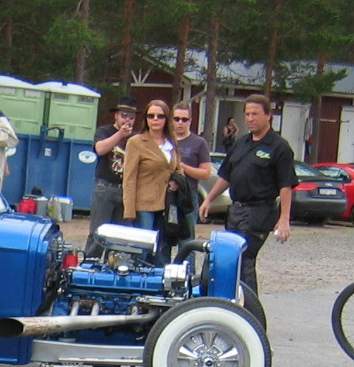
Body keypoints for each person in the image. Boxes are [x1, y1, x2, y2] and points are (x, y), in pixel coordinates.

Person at [199, 95, 295, 292]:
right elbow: (226, 175)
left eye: (255, 114)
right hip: (236, 210)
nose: (250, 118)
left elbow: (286, 185)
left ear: (268, 116)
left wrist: (284, 219)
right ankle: (228, 303)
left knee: (244, 259)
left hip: (259, 212)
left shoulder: (278, 146)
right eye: (247, 114)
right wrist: (209, 199)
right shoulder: (241, 143)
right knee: (228, 259)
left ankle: (250, 312)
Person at [122, 100, 181, 244]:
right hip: (143, 205)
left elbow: (178, 167)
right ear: (145, 119)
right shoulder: (136, 142)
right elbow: (129, 178)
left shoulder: (171, 142)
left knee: (162, 248)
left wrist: (178, 182)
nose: (155, 119)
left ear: (167, 119)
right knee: (144, 247)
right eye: (151, 116)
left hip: (166, 204)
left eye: (160, 116)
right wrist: (129, 210)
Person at [85, 100, 135, 252]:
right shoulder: (104, 131)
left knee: (122, 236)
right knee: (98, 232)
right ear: (116, 116)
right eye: (124, 116)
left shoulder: (136, 138)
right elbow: (100, 149)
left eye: (131, 117)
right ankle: (90, 265)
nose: (127, 120)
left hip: (126, 190)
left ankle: (115, 268)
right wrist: (120, 134)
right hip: (105, 187)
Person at [168, 102, 213, 249]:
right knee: (163, 238)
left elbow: (206, 172)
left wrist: (183, 167)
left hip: (187, 196)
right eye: (176, 119)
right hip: (165, 195)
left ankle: (188, 270)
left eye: (184, 119)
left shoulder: (199, 143)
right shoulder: (165, 140)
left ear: (190, 121)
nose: (180, 122)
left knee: (187, 241)